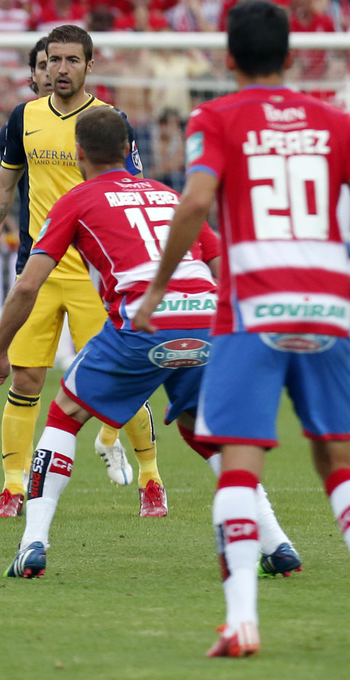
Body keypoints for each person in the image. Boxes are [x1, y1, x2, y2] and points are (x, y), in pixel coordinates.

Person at [0, 106, 296, 586]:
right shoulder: (168, 194)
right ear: (131, 151)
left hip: (143, 322)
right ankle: (277, 544)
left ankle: (32, 544)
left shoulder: (77, 199)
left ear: (79, 153)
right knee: (201, 429)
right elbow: (218, 264)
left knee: (65, 414)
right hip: (208, 320)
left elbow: (27, 287)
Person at [133, 0, 350, 657]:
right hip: (328, 306)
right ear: (291, 55)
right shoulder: (334, 123)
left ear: (226, 58)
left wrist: (162, 281)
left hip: (251, 306)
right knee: (338, 462)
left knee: (239, 462)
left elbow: (197, 199)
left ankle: (241, 623)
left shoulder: (217, 116)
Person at [0, 26, 165, 519]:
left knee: (118, 379)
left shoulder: (108, 123)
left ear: (89, 65)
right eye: (54, 60)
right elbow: (4, 187)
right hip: (40, 264)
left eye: (72, 60)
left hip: (98, 273)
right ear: (43, 65)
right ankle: (13, 488)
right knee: (27, 376)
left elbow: (128, 193)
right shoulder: (23, 117)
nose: (61, 69)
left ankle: (152, 477)